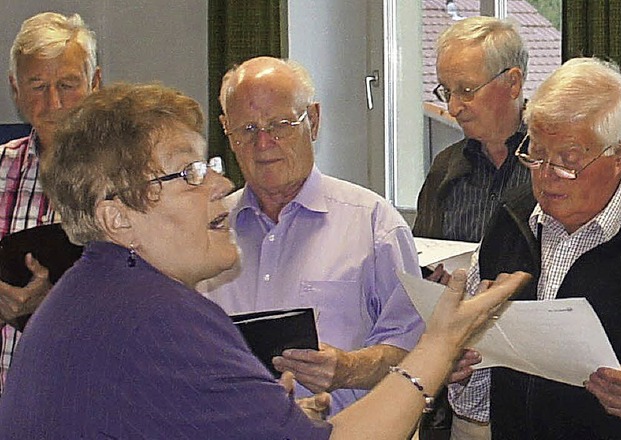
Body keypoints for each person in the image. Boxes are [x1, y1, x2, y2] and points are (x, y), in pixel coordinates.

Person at [0, 82, 530, 439]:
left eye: (206, 165)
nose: (223, 183)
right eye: (187, 174)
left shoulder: (100, 293)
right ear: (116, 217)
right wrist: (440, 344)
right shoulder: (159, 317)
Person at [200, 56, 425, 414]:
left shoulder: (374, 224)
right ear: (226, 130)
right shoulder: (205, 229)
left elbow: (417, 351)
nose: (263, 143)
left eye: (280, 125)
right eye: (247, 130)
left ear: (314, 120)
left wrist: (349, 369)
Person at [449, 57, 621, 439]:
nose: (547, 176)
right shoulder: (510, 222)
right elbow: (476, 404)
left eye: (568, 162)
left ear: (620, 154)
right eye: (536, 156)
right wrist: (459, 368)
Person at [0, 11, 101, 395]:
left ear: (96, 82)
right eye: (38, 86)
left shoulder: (131, 178)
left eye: (68, 84)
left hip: (86, 400)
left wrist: (55, 307)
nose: (54, 102)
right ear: (15, 89)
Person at [413, 16, 530, 283]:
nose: (453, 108)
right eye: (446, 92)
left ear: (513, 83)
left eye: (466, 90)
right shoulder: (446, 167)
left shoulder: (552, 163)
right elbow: (421, 258)